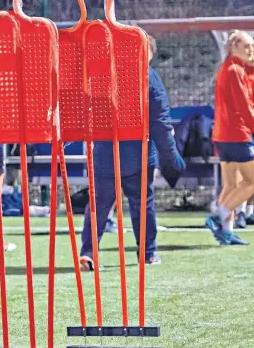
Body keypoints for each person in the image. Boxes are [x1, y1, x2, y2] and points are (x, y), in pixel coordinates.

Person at [79, 35, 186, 271]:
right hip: (138, 154)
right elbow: (160, 123)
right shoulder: (149, 77)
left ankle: (88, 252)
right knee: (142, 204)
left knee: (98, 205)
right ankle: (147, 254)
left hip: (104, 152)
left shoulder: (101, 75)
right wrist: (172, 160)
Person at [206, 31, 254, 245]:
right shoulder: (235, 70)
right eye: (246, 46)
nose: (251, 50)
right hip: (236, 134)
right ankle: (218, 217)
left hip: (223, 135)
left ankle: (225, 231)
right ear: (234, 46)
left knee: (231, 185)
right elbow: (244, 108)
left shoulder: (227, 69)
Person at [235, 41, 254, 228]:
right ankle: (240, 212)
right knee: (248, 174)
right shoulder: (240, 73)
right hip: (247, 129)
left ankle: (249, 212)